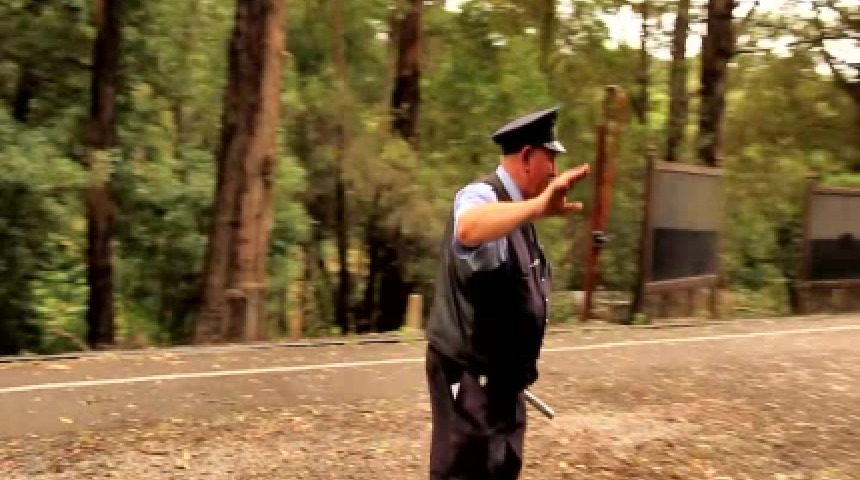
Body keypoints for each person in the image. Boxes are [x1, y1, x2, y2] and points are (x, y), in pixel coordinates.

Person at [424, 105, 590, 480]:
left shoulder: (519, 213)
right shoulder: (481, 195)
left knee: (502, 466)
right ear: (527, 157)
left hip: (504, 384)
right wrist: (537, 207)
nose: (555, 171)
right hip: (469, 379)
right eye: (550, 159)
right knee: (465, 470)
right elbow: (468, 228)